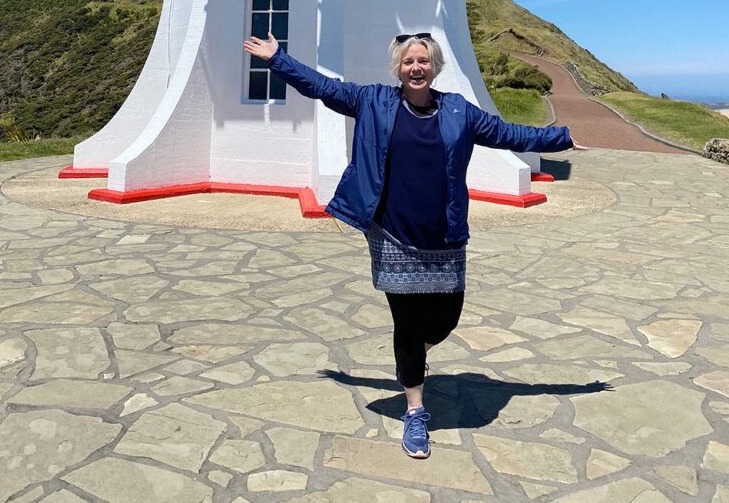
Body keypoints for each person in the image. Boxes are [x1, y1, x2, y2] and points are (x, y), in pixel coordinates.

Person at [243, 31, 588, 459]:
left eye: (423, 61)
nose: (416, 68)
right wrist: (279, 59)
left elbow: (505, 133)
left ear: (435, 66)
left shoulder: (459, 111)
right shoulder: (373, 101)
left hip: (443, 235)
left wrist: (558, 139)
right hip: (393, 234)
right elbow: (323, 87)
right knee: (407, 325)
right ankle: (415, 409)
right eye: (408, 62)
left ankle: (410, 359)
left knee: (446, 319)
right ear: (398, 69)